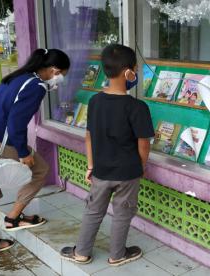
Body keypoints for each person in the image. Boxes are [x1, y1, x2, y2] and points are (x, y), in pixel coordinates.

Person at [0, 48, 70, 258]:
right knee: (40, 169)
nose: (60, 80)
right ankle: (13, 217)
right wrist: (23, 153)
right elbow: (16, 123)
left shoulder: (18, 76)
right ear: (54, 70)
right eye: (62, 75)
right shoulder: (36, 86)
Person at [60, 44, 154, 266]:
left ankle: (81, 252)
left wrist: (91, 165)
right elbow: (144, 143)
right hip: (128, 172)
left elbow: (89, 137)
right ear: (127, 72)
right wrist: (141, 165)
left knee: (93, 211)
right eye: (136, 69)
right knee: (123, 213)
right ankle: (117, 255)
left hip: (101, 170)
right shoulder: (138, 107)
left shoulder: (95, 102)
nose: (137, 74)